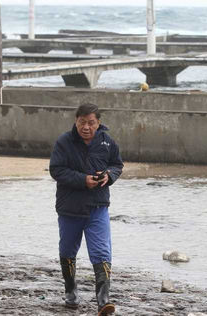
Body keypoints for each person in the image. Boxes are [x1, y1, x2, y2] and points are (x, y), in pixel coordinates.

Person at [49, 103, 123, 315]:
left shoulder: (108, 142)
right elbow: (56, 170)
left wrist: (109, 175)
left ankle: (103, 300)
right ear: (76, 121)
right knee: (67, 250)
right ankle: (70, 291)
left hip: (98, 206)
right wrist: (83, 180)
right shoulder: (64, 142)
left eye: (91, 123)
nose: (87, 127)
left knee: (101, 251)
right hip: (70, 207)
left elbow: (118, 165)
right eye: (82, 122)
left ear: (98, 123)